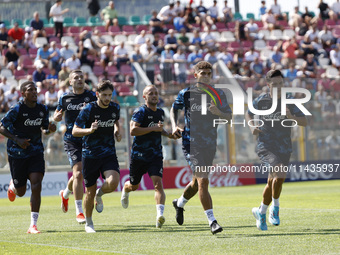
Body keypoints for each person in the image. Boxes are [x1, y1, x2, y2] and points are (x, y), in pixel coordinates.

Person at [170, 61, 232, 234]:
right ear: (195, 75)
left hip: (210, 143)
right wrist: (175, 125)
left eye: (208, 73)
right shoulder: (187, 93)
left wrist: (218, 112)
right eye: (202, 73)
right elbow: (174, 109)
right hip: (191, 142)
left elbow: (228, 117)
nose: (205, 76)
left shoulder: (218, 94)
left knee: (197, 184)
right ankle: (212, 221)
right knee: (203, 181)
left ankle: (180, 203)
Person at [245, 69, 307, 231]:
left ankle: (261, 211)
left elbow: (304, 121)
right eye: (275, 84)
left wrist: (292, 117)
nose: (279, 86)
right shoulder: (261, 100)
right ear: (268, 85)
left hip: (284, 146)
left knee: (274, 180)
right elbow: (249, 114)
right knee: (279, 174)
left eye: (281, 83)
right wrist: (252, 126)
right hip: (266, 145)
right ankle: (276, 209)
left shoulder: (290, 101)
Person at [1, 81, 56, 234]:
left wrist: (50, 129)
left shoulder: (42, 109)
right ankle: (13, 186)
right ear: (23, 93)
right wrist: (17, 139)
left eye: (35, 89)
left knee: (36, 184)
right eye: (30, 90)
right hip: (17, 154)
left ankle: (33, 225)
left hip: (35, 152)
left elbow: (44, 129)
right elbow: (1, 127)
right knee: (21, 192)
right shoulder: (17, 109)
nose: (34, 92)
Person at [120, 85, 177, 228]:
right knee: (134, 186)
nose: (154, 95)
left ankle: (159, 216)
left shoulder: (160, 112)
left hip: (155, 155)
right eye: (151, 93)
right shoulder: (140, 111)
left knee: (158, 184)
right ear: (144, 97)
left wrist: (169, 134)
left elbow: (159, 129)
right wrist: (153, 128)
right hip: (139, 155)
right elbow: (133, 130)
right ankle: (125, 190)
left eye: (156, 93)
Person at [72, 80, 121, 233]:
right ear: (97, 94)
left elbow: (116, 120)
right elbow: (74, 131)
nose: (107, 98)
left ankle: (100, 195)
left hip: (108, 153)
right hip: (90, 155)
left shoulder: (115, 107)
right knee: (89, 192)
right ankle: (89, 223)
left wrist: (117, 130)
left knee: (113, 182)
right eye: (104, 95)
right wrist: (89, 130)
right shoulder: (88, 109)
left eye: (109, 95)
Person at [53, 70, 97, 224]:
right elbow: (56, 115)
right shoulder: (64, 98)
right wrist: (56, 117)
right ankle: (79, 211)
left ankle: (65, 194)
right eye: (76, 78)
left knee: (81, 174)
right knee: (78, 173)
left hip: (89, 139)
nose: (79, 79)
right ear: (70, 82)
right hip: (72, 140)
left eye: (81, 77)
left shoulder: (92, 96)